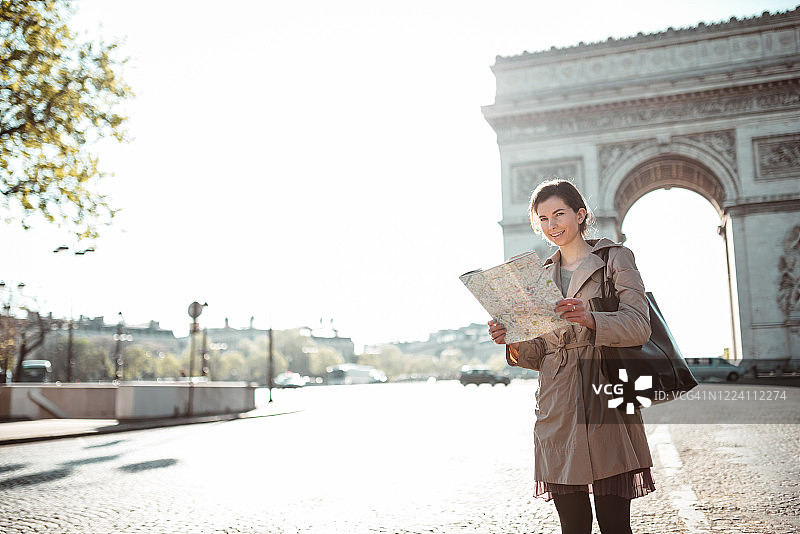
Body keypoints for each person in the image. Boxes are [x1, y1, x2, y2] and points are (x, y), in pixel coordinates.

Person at [488, 179, 655, 534]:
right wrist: (511, 338)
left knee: (614, 526)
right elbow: (539, 353)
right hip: (557, 406)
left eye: (559, 214)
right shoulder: (538, 278)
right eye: (543, 218)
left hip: (607, 396)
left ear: (580, 215)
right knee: (573, 526)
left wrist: (591, 318)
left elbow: (640, 326)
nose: (552, 225)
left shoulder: (615, 258)